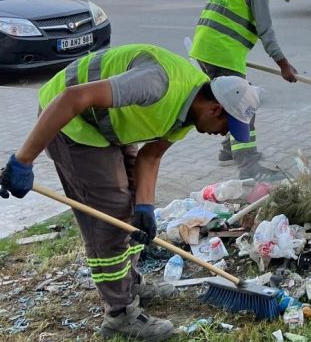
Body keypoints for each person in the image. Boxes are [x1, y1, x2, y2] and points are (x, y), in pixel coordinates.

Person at [0, 44, 259, 341]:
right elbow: (73, 98)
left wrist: (145, 207)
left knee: (133, 213)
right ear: (215, 109)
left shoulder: (189, 113)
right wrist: (23, 161)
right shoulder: (159, 84)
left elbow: (150, 157)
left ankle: (130, 284)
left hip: (108, 124)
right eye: (227, 126)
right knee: (111, 220)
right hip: (71, 118)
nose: (223, 134)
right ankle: (120, 314)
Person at [189, 0, 297, 180]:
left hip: (204, 48)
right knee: (243, 106)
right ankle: (249, 169)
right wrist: (283, 65)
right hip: (223, 53)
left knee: (231, 103)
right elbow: (265, 30)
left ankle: (228, 150)